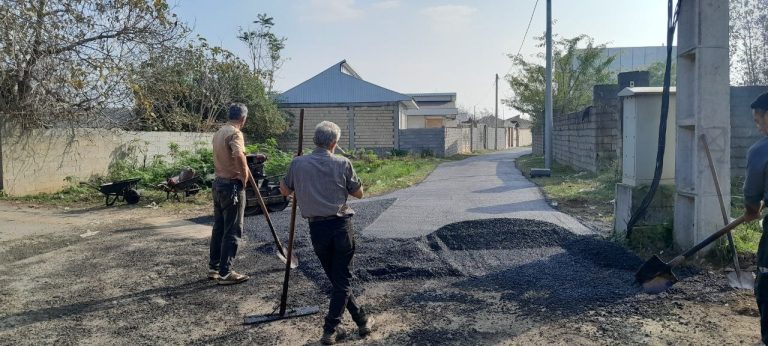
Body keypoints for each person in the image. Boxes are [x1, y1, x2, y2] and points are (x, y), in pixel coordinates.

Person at [280, 121, 375, 345]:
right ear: (334, 142)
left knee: (338, 279)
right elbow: (359, 193)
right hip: (341, 228)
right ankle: (330, 329)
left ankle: (361, 320)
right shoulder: (343, 163)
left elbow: (285, 191)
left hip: (317, 230)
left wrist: (298, 168)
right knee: (341, 280)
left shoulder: (298, 163)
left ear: (315, 141)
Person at [209, 103, 251, 285]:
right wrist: (245, 176)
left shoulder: (219, 132)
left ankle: (214, 268)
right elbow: (239, 155)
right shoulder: (235, 133)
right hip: (231, 186)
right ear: (243, 118)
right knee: (232, 230)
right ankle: (226, 273)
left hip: (218, 184)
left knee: (219, 228)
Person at [745, 92, 768, 344]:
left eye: (758, 120)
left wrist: (752, 211)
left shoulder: (760, 150)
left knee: (766, 283)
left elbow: (752, 198)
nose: (758, 126)